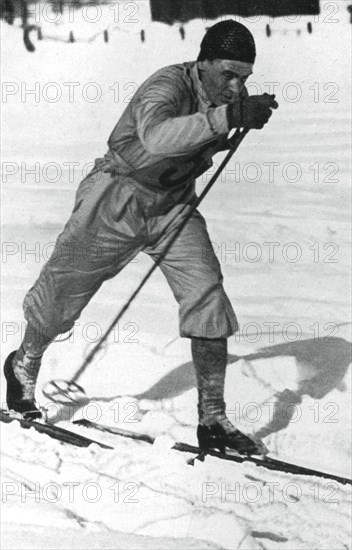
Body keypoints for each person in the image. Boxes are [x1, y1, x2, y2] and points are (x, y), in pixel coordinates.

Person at [4, 20, 278, 454]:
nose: (235, 86)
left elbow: (205, 135)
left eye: (244, 78)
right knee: (62, 294)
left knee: (208, 297)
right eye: (227, 73)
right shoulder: (165, 86)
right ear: (202, 62)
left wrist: (241, 122)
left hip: (172, 206)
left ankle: (213, 418)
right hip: (118, 197)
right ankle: (24, 364)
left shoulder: (231, 97)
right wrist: (227, 118)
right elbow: (156, 136)